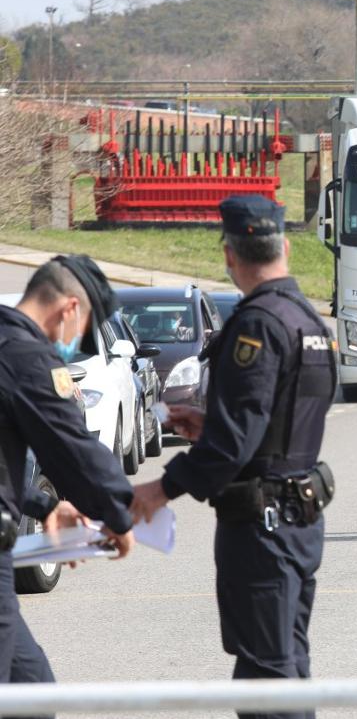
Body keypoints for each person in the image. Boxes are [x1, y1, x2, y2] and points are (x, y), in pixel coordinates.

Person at [131, 195, 337, 719]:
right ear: (285, 247)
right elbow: (280, 425)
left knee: (266, 679)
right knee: (284, 669)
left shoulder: (257, 325)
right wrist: (212, 426)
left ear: (229, 254)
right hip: (297, 518)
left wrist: (159, 490)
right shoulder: (308, 320)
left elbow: (235, 442)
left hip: (262, 528)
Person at [0, 255, 135, 689]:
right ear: (70, 309)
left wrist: (44, 505)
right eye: (84, 327)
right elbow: (72, 448)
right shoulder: (26, 357)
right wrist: (120, 510)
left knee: (32, 688)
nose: (76, 340)